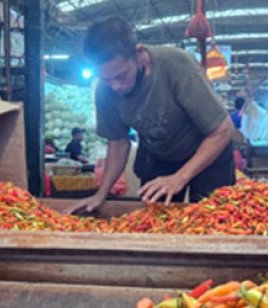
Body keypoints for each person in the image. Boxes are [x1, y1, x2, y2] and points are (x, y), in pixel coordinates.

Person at [68, 17, 234, 212]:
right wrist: (101, 194)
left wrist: (180, 177)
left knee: (212, 216)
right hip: (159, 155)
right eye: (107, 79)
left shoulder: (177, 65)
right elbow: (118, 142)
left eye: (122, 75)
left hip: (207, 150)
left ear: (139, 54)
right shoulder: (105, 90)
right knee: (154, 217)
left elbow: (222, 130)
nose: (116, 86)